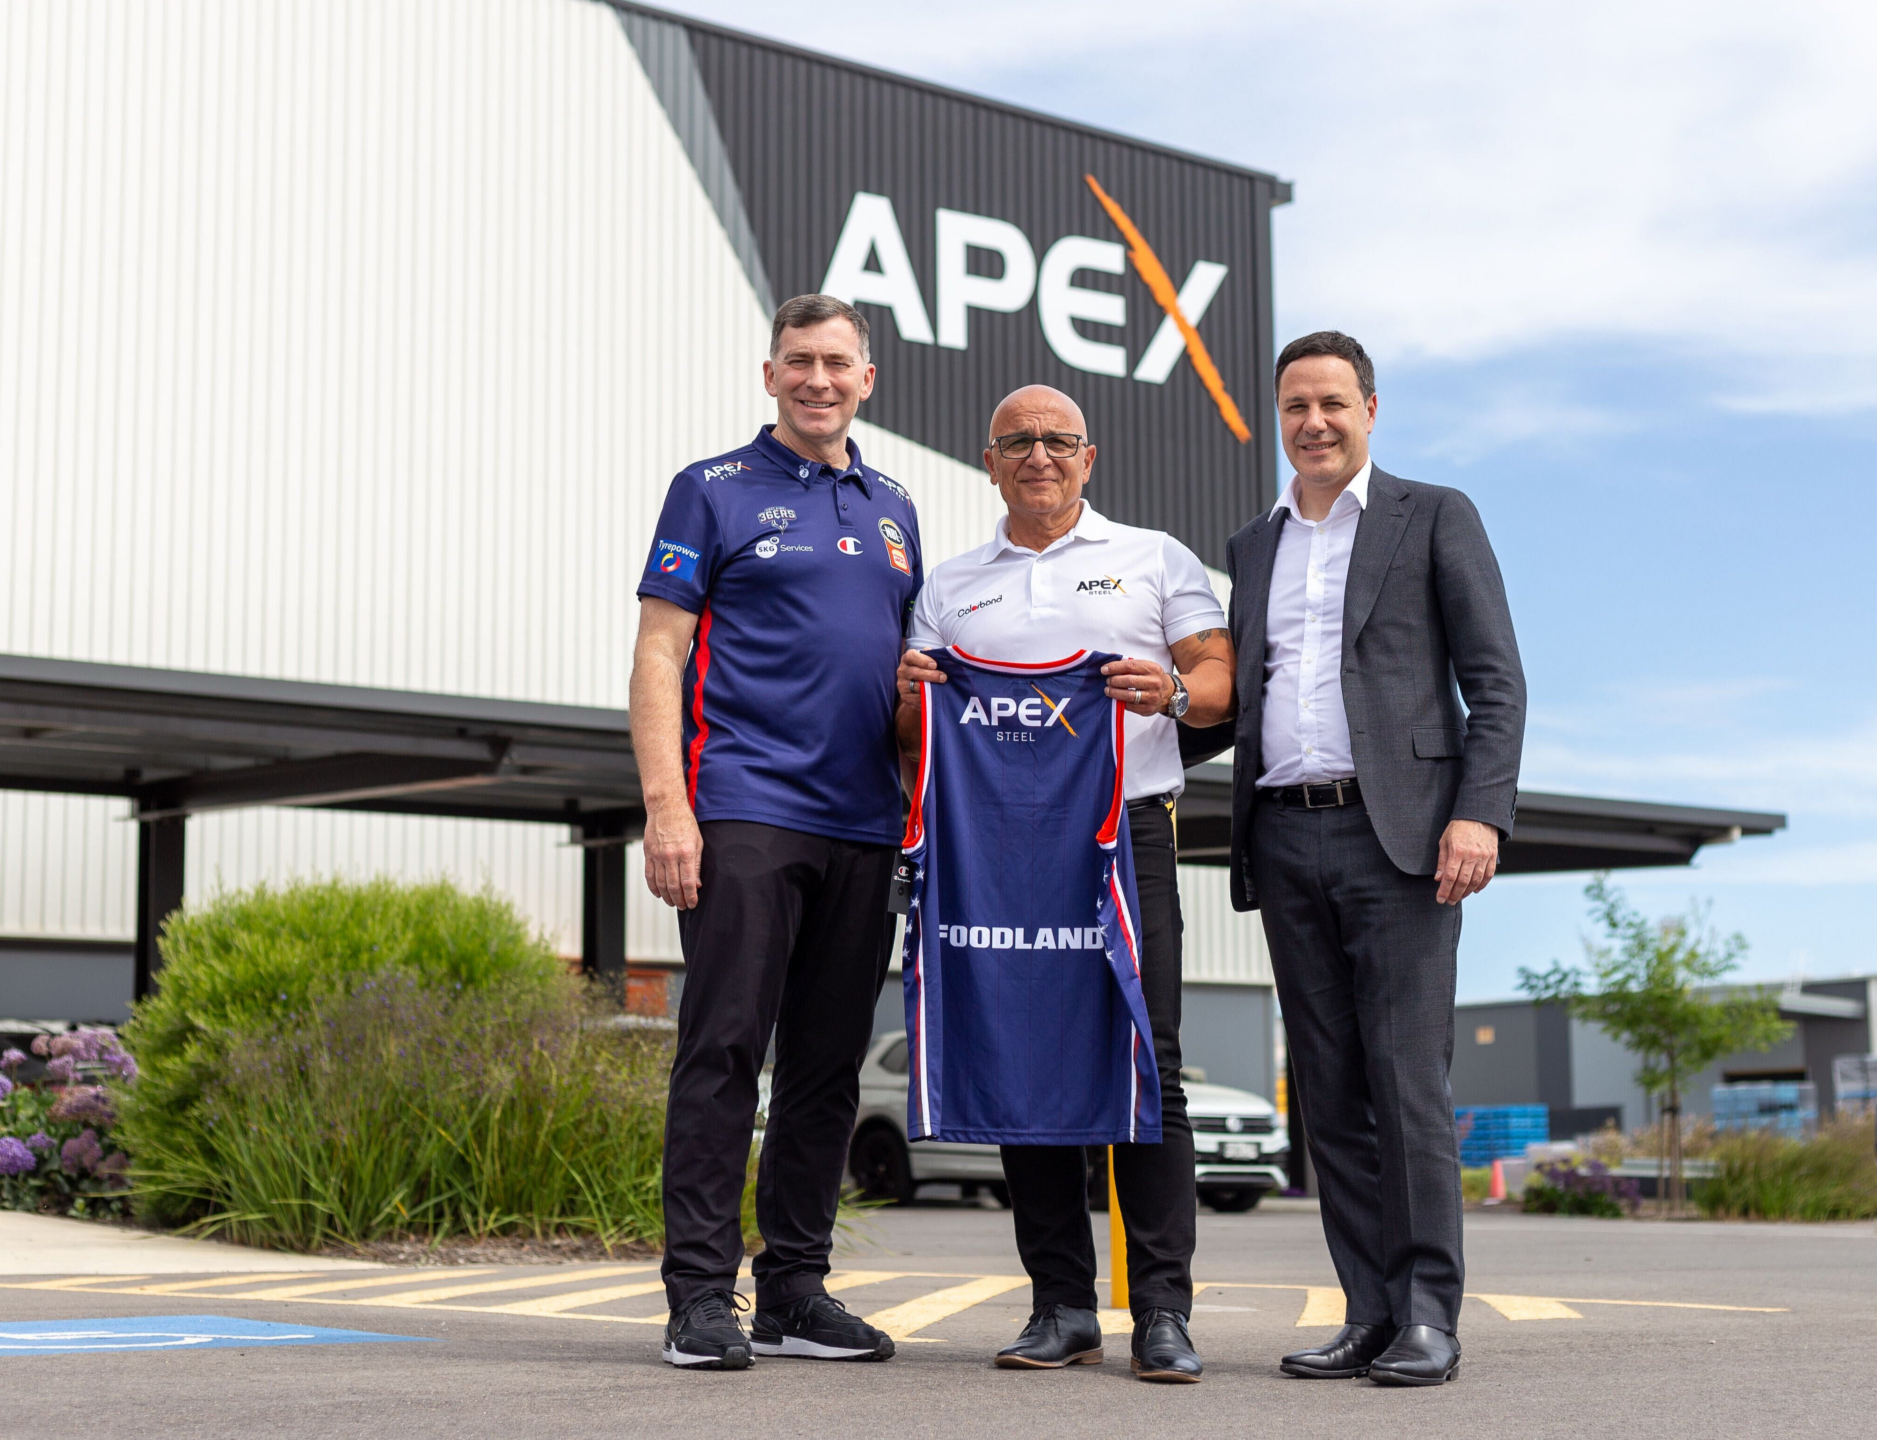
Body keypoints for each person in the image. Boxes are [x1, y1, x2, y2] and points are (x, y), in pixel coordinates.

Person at [896, 384, 1233, 1384]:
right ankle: (1062, 1307)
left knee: (1148, 1059)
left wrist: (1173, 690)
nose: (1037, 455)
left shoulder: (1154, 557)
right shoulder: (951, 586)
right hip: (997, 845)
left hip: (1128, 833)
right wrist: (908, 696)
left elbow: (1219, 682)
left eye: (1056, 440)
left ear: (1089, 458)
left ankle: (1163, 1312)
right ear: (989, 462)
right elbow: (913, 735)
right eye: (1016, 442)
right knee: (1024, 1056)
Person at [1224, 332, 1526, 1387]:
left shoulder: (1432, 514)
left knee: (1406, 1086)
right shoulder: (1252, 546)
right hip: (1282, 831)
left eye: (1332, 404)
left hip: (1398, 839)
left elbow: (1496, 681)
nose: (1313, 423)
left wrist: (1478, 814)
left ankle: (1430, 1316)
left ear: (1370, 408)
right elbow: (1242, 698)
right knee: (1328, 1093)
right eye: (1295, 407)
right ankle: (1368, 1312)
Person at [632, 294, 922, 1372]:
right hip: (745, 808)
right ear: (770, 375)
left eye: (836, 363)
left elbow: (904, 677)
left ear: (866, 379)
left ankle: (794, 1292)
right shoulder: (711, 489)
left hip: (865, 824)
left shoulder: (896, 508)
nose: (817, 379)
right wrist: (668, 807)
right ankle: (700, 1298)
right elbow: (658, 654)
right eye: (798, 361)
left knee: (827, 1069)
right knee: (723, 1052)